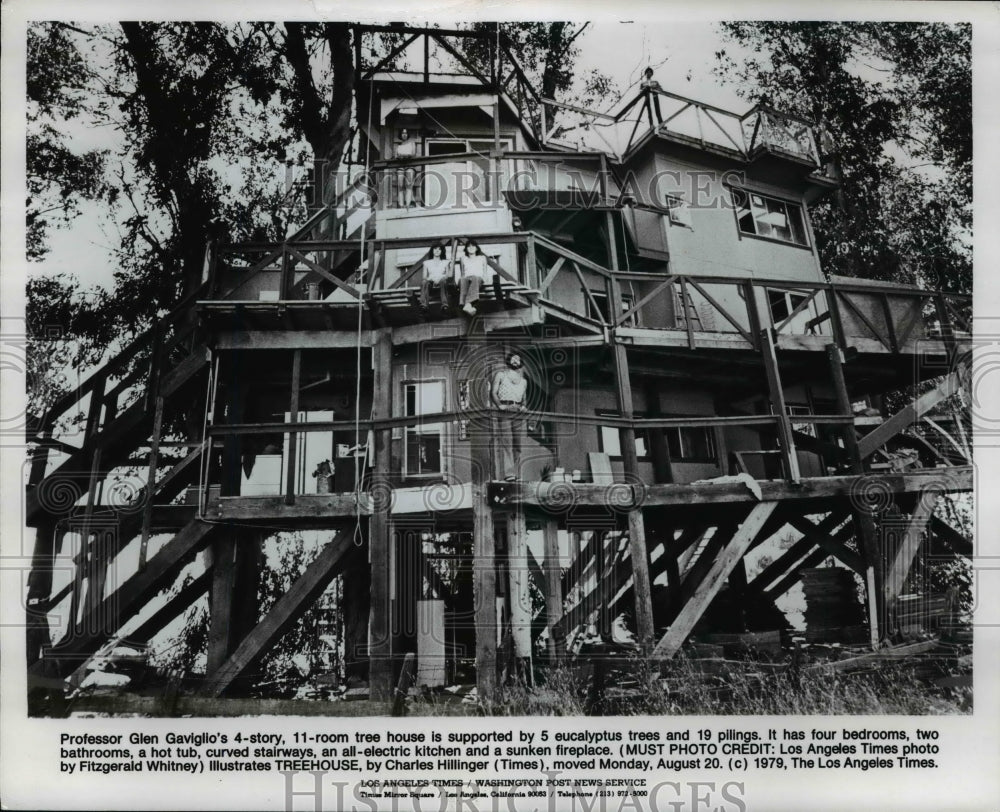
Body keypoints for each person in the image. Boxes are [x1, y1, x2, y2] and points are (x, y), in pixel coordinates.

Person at [491, 352, 528, 480]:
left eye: (518, 359)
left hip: (518, 411)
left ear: (521, 363)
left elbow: (524, 400)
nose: (516, 361)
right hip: (505, 410)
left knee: (518, 445)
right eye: (513, 359)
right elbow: (494, 392)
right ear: (509, 361)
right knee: (507, 443)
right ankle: (509, 474)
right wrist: (499, 405)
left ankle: (516, 474)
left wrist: (523, 406)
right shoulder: (501, 375)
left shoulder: (524, 381)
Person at [459, 242, 490, 315]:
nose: (471, 248)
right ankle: (468, 306)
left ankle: (467, 304)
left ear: (476, 248)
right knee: (462, 279)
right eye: (469, 246)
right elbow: (463, 273)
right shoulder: (463, 258)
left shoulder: (482, 258)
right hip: (467, 279)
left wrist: (486, 280)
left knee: (475, 277)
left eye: (473, 246)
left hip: (478, 278)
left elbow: (485, 272)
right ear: (466, 249)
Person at [420, 244, 452, 310]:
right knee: (424, 282)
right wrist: (432, 280)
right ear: (432, 250)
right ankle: (424, 305)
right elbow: (424, 276)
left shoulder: (445, 262)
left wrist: (440, 279)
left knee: (443, 281)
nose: (437, 251)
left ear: (442, 251)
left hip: (442, 281)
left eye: (439, 249)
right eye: (435, 249)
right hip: (431, 282)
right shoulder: (426, 262)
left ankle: (445, 304)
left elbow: (447, 275)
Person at [394, 128, 417, 208]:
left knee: (408, 185)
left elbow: (413, 154)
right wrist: (404, 155)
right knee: (400, 186)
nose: (404, 134)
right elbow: (396, 156)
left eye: (406, 133)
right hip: (400, 167)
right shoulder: (398, 146)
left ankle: (407, 205)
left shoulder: (412, 144)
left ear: (408, 135)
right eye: (403, 133)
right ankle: (401, 205)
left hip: (409, 165)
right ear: (400, 135)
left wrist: (403, 155)